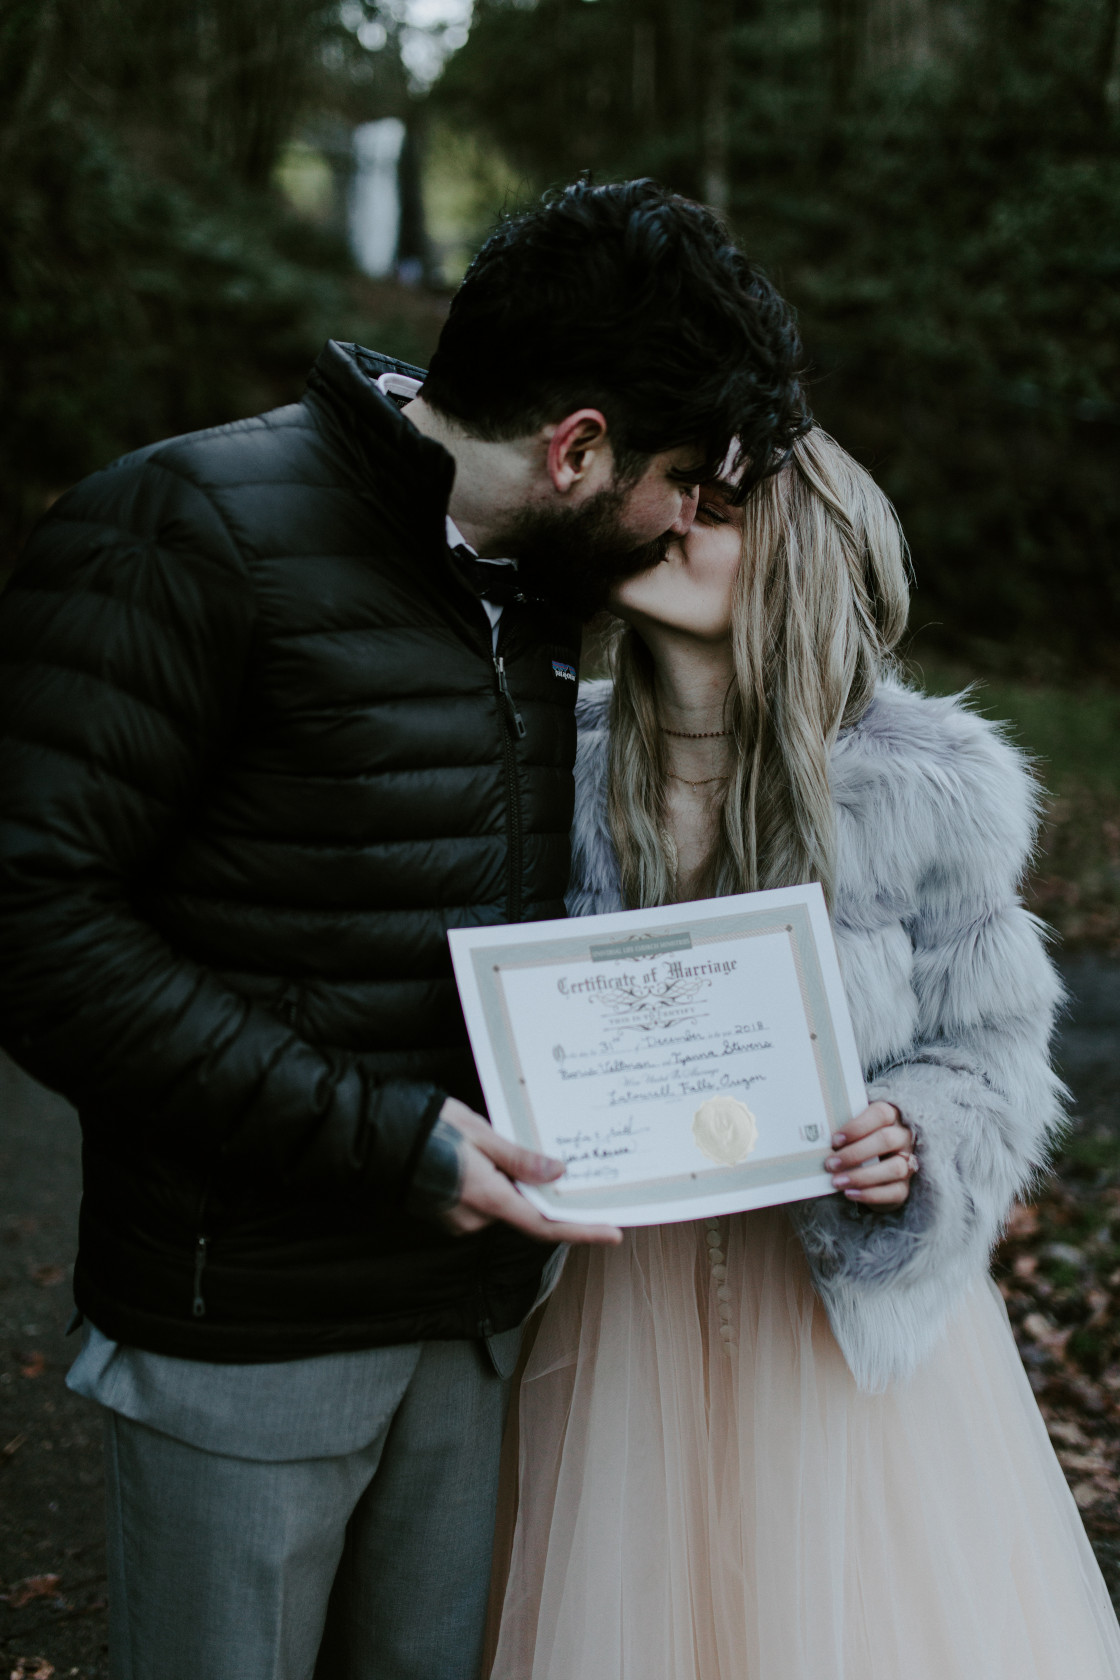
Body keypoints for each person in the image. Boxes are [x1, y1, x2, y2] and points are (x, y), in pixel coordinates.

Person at [0, 179, 805, 1680]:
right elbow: (35, 926)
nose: (695, 517)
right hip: (245, 1334)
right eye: (684, 474)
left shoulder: (550, 599)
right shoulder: (184, 531)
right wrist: (380, 1140)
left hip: (475, 1330)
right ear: (576, 448)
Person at [487, 428, 1120, 1680]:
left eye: (713, 507)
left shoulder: (927, 785)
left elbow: (988, 1052)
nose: (665, 521)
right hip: (618, 1301)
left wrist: (914, 1142)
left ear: (797, 551)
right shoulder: (555, 756)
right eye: (662, 494)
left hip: (827, 1310)